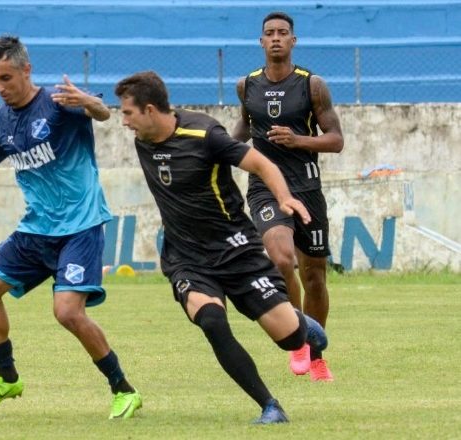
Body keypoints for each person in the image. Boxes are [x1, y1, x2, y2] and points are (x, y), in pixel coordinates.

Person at [0, 35, 142, 419]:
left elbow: (103, 114)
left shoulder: (59, 102)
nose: (1, 87)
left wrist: (90, 102)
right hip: (36, 230)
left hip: (80, 226)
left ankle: (123, 389)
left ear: (26, 69)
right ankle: (7, 379)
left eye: (6, 77)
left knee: (68, 312)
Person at [115, 71, 328, 424]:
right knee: (212, 320)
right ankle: (269, 405)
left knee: (291, 340)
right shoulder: (143, 138)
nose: (123, 122)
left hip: (236, 250)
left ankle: (303, 327)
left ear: (150, 110)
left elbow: (261, 162)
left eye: (127, 114)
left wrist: (285, 197)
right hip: (186, 258)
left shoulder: (205, 135)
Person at [233, 11, 344, 381]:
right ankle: (296, 339)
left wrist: (299, 141)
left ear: (293, 41)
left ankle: (316, 354)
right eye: (269, 33)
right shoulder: (246, 86)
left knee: (314, 276)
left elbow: (336, 140)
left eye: (283, 33)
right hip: (265, 187)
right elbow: (241, 132)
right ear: (261, 42)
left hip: (307, 187)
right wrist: (208, 151)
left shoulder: (312, 85)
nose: (276, 38)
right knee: (281, 259)